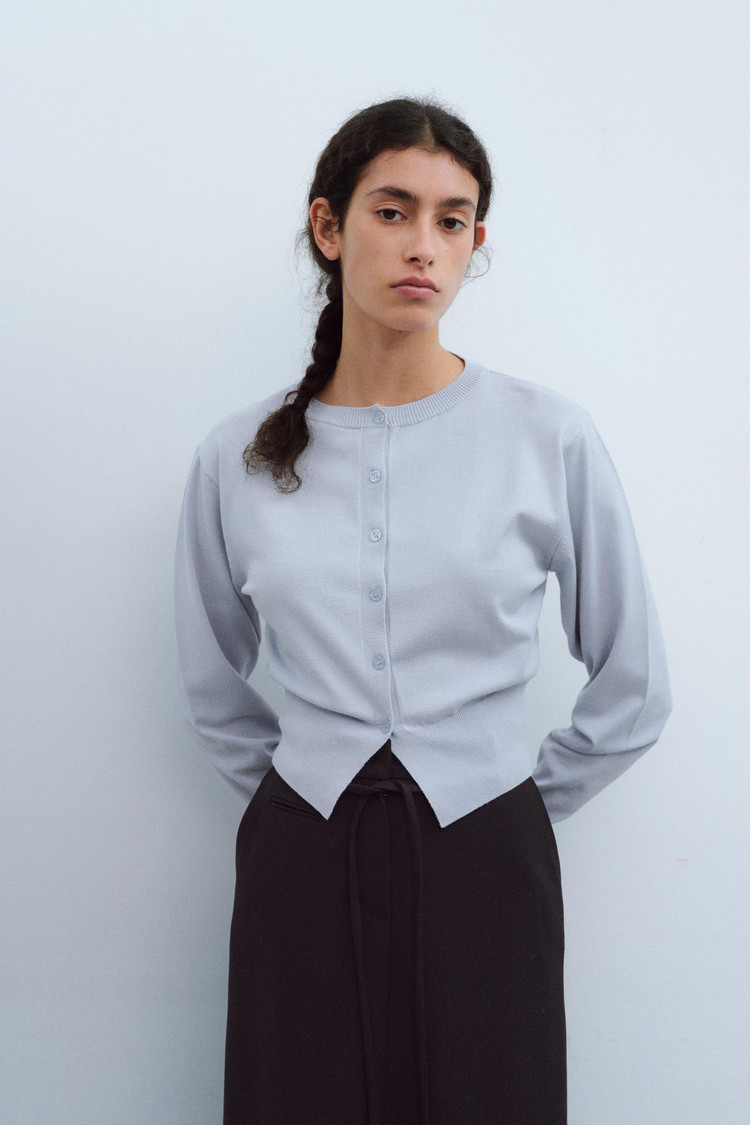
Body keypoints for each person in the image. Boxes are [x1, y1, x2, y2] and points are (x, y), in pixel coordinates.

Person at [173, 95, 672, 1125]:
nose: (423, 245)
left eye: (453, 220)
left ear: (475, 242)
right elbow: (211, 685)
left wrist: (510, 806)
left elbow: (635, 685)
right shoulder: (236, 457)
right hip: (300, 855)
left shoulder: (548, 437)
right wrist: (300, 799)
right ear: (329, 227)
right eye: (393, 210)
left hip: (487, 852)